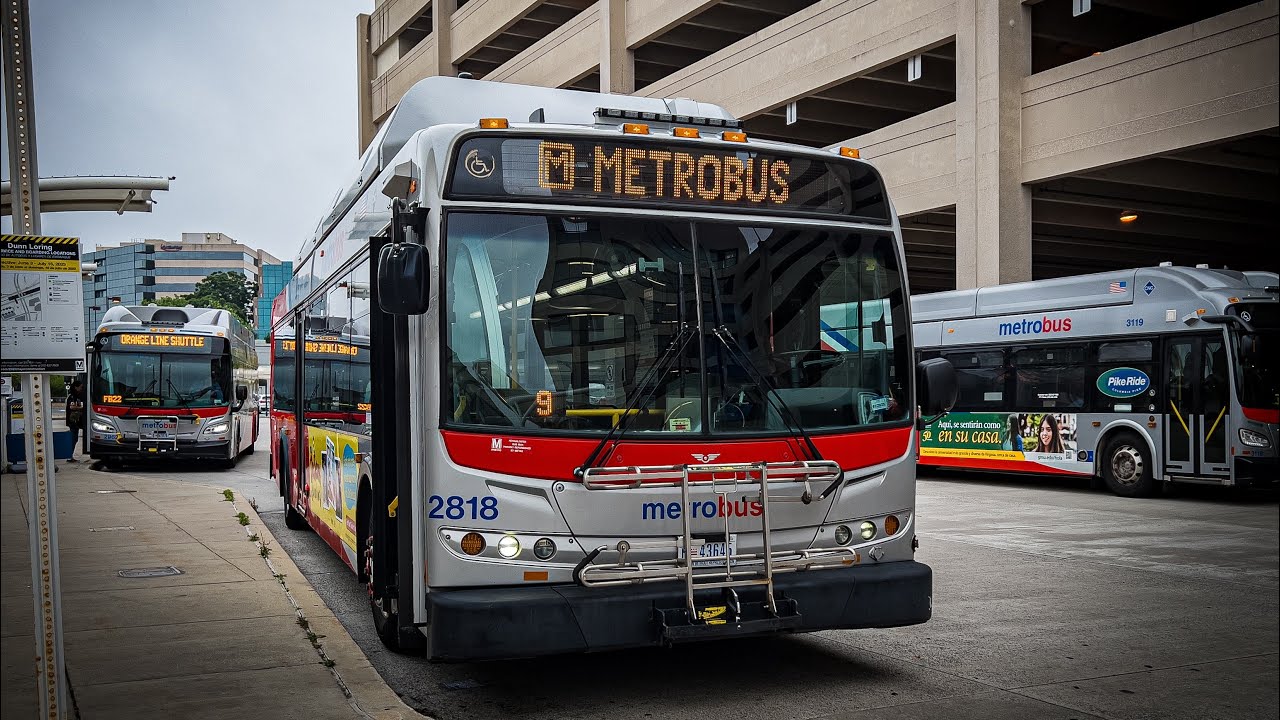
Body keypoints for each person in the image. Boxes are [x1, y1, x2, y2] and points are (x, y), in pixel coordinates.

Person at [65, 378, 86, 462]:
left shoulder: (78, 396)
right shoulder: (72, 396)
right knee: (73, 438)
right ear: (76, 387)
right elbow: (71, 406)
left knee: (75, 438)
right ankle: (69, 456)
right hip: (72, 421)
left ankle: (71, 455)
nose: (81, 389)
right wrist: (82, 408)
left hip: (76, 421)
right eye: (80, 387)